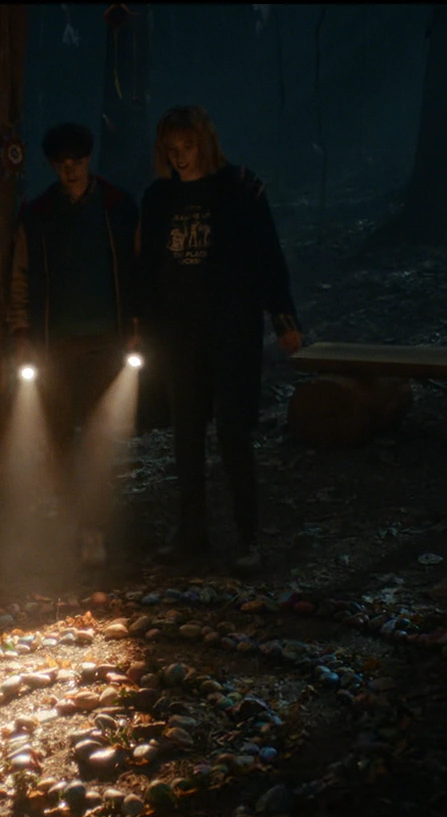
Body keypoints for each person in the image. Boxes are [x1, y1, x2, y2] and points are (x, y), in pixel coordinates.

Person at [136, 105, 303, 573]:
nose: (180, 156)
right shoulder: (159, 198)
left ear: (204, 143)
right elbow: (147, 267)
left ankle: (248, 537)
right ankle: (192, 533)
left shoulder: (240, 187)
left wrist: (283, 317)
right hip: (179, 336)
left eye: (187, 147)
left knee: (233, 434)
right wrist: (141, 327)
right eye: (171, 148)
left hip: (231, 332)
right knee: (186, 437)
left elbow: (267, 253)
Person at [8, 122, 141, 567]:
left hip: (106, 338)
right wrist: (22, 332)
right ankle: (77, 527)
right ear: (52, 165)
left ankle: (96, 527)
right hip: (57, 342)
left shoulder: (118, 206)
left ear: (88, 159)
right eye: (61, 163)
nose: (70, 170)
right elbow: (21, 275)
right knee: (62, 438)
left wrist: (136, 323)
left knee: (100, 436)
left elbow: (136, 267)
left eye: (77, 161)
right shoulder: (39, 214)